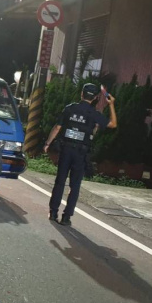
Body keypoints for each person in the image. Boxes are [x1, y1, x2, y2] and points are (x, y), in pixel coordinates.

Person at [43, 83, 117, 226]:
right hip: (81, 153)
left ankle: (53, 212)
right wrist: (111, 104)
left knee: (60, 181)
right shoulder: (94, 114)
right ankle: (66, 217)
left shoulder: (70, 108)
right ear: (96, 98)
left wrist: (47, 143)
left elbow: (57, 127)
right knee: (74, 185)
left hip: (66, 150)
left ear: (81, 94)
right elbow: (113, 124)